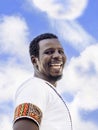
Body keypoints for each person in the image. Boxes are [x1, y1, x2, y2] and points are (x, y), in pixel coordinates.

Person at [13, 33, 72, 130]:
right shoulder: (35, 87)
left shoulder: (46, 90)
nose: (58, 55)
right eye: (49, 52)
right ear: (35, 61)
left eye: (60, 51)